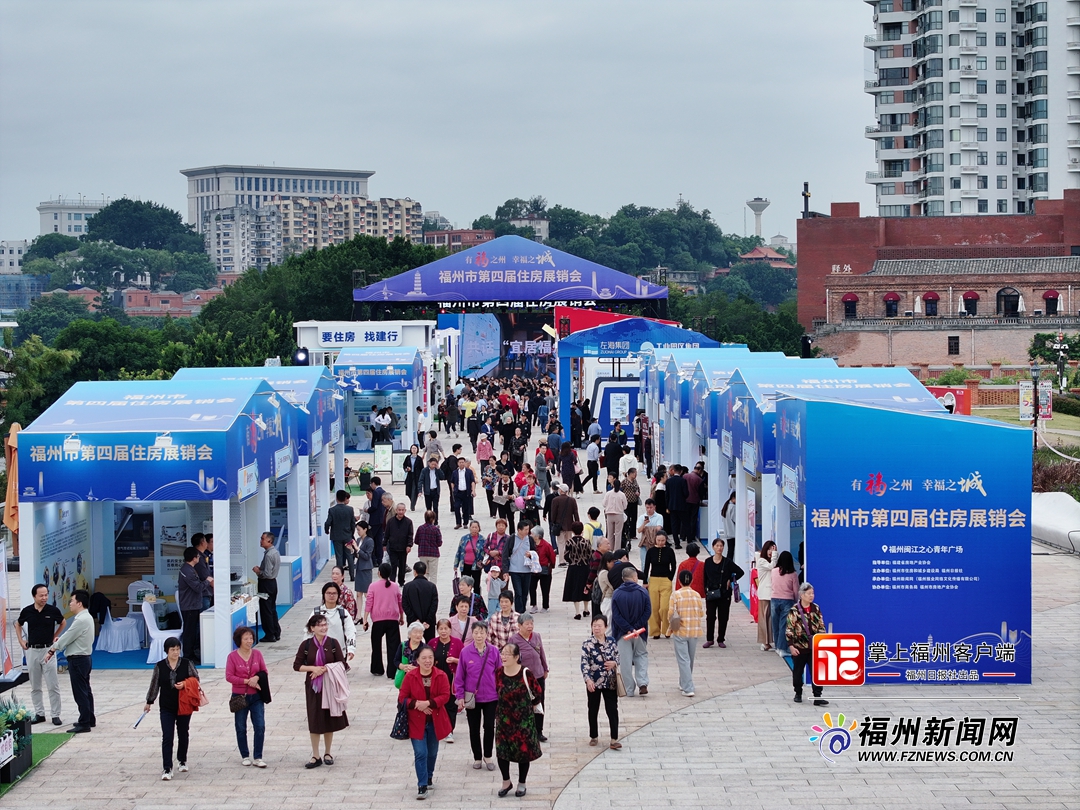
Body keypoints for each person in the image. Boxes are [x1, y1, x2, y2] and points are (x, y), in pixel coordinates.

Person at [294, 613, 349, 769]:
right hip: (313, 688)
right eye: (320, 625)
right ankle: (315, 754)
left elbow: (342, 664)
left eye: (325, 624)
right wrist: (313, 669)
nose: (324, 627)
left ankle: (328, 752)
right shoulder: (306, 645)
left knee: (328, 718)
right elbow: (297, 666)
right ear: (312, 628)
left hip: (329, 685)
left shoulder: (333, 643)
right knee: (314, 718)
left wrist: (324, 669)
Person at [399, 645, 451, 800]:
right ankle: (422, 785)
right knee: (421, 753)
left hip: (435, 720)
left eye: (430, 658)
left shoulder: (441, 675)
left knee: (432, 753)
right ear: (417, 660)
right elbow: (402, 698)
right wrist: (417, 705)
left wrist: (429, 703)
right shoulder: (411, 676)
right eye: (424, 658)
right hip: (416, 721)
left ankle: (429, 776)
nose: (427, 661)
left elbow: (445, 696)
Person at [144, 636, 199, 780]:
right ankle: (167, 767)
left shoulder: (187, 663)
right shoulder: (160, 666)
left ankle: (182, 759)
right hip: (166, 706)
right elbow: (155, 684)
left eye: (177, 649)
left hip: (183, 704)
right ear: (166, 651)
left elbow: (196, 679)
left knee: (183, 733)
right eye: (172, 650)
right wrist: (149, 701)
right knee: (167, 736)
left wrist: (185, 684)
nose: (175, 652)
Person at [492, 642, 542, 798]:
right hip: (503, 720)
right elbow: (496, 691)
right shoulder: (499, 672)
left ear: (516, 657)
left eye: (507, 654)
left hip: (523, 721)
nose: (504, 656)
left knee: (523, 752)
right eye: (503, 653)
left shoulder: (526, 673)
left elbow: (537, 693)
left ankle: (522, 783)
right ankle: (506, 782)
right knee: (502, 752)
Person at [14, 583, 65, 726]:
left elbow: (63, 622)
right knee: (35, 685)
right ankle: (39, 713)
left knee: (52, 685)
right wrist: (20, 640)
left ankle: (55, 714)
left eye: (46, 595)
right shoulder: (27, 611)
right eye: (41, 595)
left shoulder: (52, 610)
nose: (44, 598)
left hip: (48, 650)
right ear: (34, 596)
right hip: (32, 651)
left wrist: (55, 636)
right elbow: (17, 624)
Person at [45, 590, 95, 733]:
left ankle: (85, 722)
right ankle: (89, 718)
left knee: (80, 692)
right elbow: (70, 637)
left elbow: (68, 636)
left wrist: (52, 650)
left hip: (78, 659)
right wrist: (59, 641)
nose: (70, 604)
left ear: (79, 603)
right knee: (86, 690)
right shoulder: (86, 617)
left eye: (72, 601)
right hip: (84, 658)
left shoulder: (81, 619)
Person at [454, 621, 499, 772]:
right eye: (476, 633)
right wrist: (460, 696)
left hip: (491, 697)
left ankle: (488, 755)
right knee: (474, 729)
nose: (479, 636)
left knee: (489, 727)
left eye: (482, 632)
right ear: (472, 634)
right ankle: (477, 757)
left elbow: (500, 674)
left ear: (487, 634)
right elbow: (459, 677)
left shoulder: (494, 651)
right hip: (472, 697)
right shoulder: (465, 652)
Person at [225, 626, 268, 768]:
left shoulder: (257, 654)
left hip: (256, 696)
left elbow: (264, 671)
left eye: (251, 638)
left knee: (260, 725)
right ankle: (245, 755)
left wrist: (256, 678)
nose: (249, 641)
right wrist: (246, 681)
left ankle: (258, 756)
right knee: (240, 726)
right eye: (246, 639)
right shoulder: (232, 656)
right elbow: (229, 676)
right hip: (239, 696)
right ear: (239, 640)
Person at [580, 614, 621, 748]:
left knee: (612, 709)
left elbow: (618, 656)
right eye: (594, 626)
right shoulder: (587, 644)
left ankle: (614, 738)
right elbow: (584, 663)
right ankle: (594, 736)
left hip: (610, 681)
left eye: (599, 626)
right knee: (593, 709)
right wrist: (588, 680)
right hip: (594, 681)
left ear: (606, 627)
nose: (596, 628)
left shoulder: (612, 641)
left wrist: (614, 663)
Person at [610, 567, 651, 697]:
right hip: (640, 632)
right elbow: (647, 612)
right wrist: (636, 627)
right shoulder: (643, 592)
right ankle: (642, 682)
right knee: (641, 655)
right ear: (635, 578)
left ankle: (629, 689)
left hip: (623, 633)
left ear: (623, 579)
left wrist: (628, 628)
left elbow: (616, 616)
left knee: (625, 660)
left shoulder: (617, 593)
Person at [787, 582, 829, 706]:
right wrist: (791, 646)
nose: (812, 596)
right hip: (799, 647)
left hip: (814, 647)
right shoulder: (794, 610)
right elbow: (790, 628)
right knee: (798, 671)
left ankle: (817, 696)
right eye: (809, 593)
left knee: (816, 672)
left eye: (813, 593)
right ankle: (798, 693)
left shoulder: (815, 608)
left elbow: (821, 625)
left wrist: (822, 641)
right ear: (801, 594)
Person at [509, 613, 549, 742]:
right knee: (523, 704)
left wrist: (545, 668)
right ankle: (525, 730)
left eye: (531, 623)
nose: (530, 626)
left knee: (539, 703)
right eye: (527, 624)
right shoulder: (514, 640)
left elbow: (541, 652)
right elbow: (511, 658)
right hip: (523, 677)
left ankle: (539, 731)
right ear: (519, 626)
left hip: (538, 674)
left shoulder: (536, 636)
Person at [668, 570, 706, 696]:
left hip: (680, 630)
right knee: (690, 659)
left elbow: (670, 613)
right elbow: (701, 613)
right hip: (694, 630)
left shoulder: (675, 595)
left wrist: (670, 628)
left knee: (683, 659)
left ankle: (688, 687)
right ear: (691, 580)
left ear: (679, 581)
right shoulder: (696, 594)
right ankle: (683, 682)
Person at [702, 538, 745, 649]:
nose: (719, 548)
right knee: (710, 617)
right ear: (713, 547)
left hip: (724, 594)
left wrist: (731, 579)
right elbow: (704, 578)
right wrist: (705, 590)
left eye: (721, 546)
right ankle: (709, 639)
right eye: (717, 546)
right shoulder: (707, 562)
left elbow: (740, 572)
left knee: (723, 617)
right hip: (711, 593)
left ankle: (721, 639)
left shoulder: (727, 562)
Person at [365, 563, 404, 678]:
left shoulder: (373, 586)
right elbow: (400, 602)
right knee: (393, 646)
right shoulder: (395, 586)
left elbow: (369, 603)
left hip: (378, 620)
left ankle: (377, 668)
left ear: (379, 573)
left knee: (376, 645)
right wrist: (401, 616)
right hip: (392, 620)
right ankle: (392, 671)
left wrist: (365, 619)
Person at [429, 618, 463, 743]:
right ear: (437, 630)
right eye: (441, 629)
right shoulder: (432, 642)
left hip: (452, 678)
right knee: (436, 702)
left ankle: (449, 730)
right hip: (436, 678)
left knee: (450, 704)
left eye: (446, 629)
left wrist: (454, 660)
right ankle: (436, 728)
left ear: (450, 630)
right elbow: (426, 659)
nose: (443, 631)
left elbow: (464, 661)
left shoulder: (457, 643)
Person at [178, 548, 213, 664]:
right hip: (190, 606)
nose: (199, 558)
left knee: (192, 630)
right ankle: (188, 656)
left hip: (192, 604)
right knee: (189, 631)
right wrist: (207, 581)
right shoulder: (187, 571)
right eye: (198, 557)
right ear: (194, 558)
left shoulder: (189, 569)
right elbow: (197, 587)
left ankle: (191, 654)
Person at [309, 582, 357, 662]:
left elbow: (351, 631)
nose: (331, 595)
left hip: (339, 653)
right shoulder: (316, 612)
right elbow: (308, 632)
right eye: (328, 593)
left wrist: (351, 649)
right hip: (319, 653)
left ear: (338, 595)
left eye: (334, 593)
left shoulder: (343, 613)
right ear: (323, 594)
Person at [643, 530, 677, 638]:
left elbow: (674, 565)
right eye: (658, 540)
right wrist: (645, 581)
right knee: (654, 607)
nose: (661, 542)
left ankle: (666, 629)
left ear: (666, 540)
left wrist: (670, 577)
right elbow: (646, 566)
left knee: (665, 607)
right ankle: (655, 631)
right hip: (653, 579)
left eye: (663, 540)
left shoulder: (670, 551)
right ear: (655, 540)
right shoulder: (651, 551)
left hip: (665, 580)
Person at [252, 532, 281, 642]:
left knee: (266, 610)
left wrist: (258, 571)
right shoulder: (274, 552)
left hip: (266, 584)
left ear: (269, 541)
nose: (261, 541)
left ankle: (270, 634)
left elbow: (267, 574)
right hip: (272, 583)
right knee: (272, 608)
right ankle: (276, 631)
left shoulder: (269, 555)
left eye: (263, 539)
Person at [560, 522, 592, 620]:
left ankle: (577, 612)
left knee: (575, 587)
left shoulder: (569, 542)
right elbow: (590, 555)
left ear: (573, 531)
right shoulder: (587, 542)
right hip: (585, 567)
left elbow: (566, 555)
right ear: (582, 530)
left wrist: (571, 561)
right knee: (585, 587)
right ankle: (586, 609)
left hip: (574, 568)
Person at [771, 550, 800, 658]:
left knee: (775, 623)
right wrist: (797, 602)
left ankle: (777, 646)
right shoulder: (793, 574)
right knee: (784, 625)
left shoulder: (773, 571)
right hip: (787, 600)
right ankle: (782, 648)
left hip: (774, 599)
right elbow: (796, 590)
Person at [402, 561, 440, 642]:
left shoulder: (407, 587)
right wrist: (428, 621)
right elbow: (434, 605)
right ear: (426, 571)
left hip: (413, 623)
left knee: (413, 645)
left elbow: (405, 605)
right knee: (430, 645)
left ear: (414, 572)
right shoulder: (432, 586)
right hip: (429, 623)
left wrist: (414, 619)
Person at [324, 490, 358, 577]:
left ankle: (340, 576)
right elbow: (352, 523)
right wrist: (351, 533)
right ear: (345, 498)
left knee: (339, 556)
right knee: (349, 555)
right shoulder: (350, 509)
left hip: (336, 536)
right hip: (347, 536)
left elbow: (328, 522)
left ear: (336, 498)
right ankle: (352, 575)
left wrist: (327, 530)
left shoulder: (332, 510)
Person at [504, 521, 534, 613]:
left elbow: (535, 552)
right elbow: (505, 554)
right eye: (525, 529)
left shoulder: (530, 539)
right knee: (518, 592)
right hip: (515, 570)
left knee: (525, 592)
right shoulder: (512, 539)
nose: (527, 531)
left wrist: (531, 555)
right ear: (519, 530)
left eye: (528, 529)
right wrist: (505, 570)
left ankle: (523, 608)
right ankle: (519, 611)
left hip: (527, 570)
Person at [385, 502, 415, 587]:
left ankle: (401, 581)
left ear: (405, 511)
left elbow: (410, 535)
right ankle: (392, 581)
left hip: (403, 548)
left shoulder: (408, 522)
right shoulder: (391, 522)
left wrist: (409, 545)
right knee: (393, 565)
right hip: (393, 548)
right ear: (396, 510)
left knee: (402, 566)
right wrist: (384, 544)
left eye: (402, 510)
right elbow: (387, 533)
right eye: (399, 510)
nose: (401, 512)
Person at [755, 540, 777, 651]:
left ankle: (768, 641)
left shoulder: (769, 561)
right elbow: (771, 566)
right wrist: (775, 554)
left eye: (773, 549)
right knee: (764, 618)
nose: (771, 552)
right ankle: (764, 642)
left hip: (771, 593)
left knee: (769, 619)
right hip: (764, 594)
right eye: (769, 549)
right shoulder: (761, 561)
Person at [529, 528, 556, 612]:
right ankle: (534, 605)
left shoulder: (546, 545)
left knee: (545, 589)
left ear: (537, 536)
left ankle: (545, 606)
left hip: (544, 569)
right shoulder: (530, 544)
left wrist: (551, 566)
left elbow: (552, 557)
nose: (530, 535)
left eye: (532, 534)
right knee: (532, 587)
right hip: (533, 569)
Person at [394, 621, 429, 686]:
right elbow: (396, 661)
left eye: (420, 633)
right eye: (415, 632)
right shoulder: (403, 645)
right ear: (409, 634)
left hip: (419, 679)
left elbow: (428, 664)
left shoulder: (425, 648)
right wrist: (403, 666)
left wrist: (417, 669)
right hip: (404, 678)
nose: (418, 635)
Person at [454, 520, 486, 586]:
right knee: (465, 584)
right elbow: (459, 551)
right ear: (470, 528)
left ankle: (476, 596)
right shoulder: (464, 538)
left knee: (476, 585)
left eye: (476, 527)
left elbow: (485, 552)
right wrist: (456, 564)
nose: (474, 529)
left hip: (476, 566)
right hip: (465, 565)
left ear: (479, 528)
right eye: (472, 527)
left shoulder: (482, 539)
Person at [636, 497, 664, 570]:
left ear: (654, 507)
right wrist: (644, 524)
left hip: (655, 543)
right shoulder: (641, 517)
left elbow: (659, 528)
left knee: (656, 563)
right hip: (644, 543)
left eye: (651, 507)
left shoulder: (659, 516)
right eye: (647, 507)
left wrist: (647, 528)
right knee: (644, 563)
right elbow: (639, 530)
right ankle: (645, 579)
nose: (649, 509)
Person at [665, 465, 688, 549]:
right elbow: (686, 493)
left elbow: (666, 495)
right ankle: (689, 541)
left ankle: (677, 543)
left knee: (674, 525)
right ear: (681, 471)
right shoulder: (683, 481)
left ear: (673, 471)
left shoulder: (668, 481)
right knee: (685, 523)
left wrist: (667, 506)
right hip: (682, 506)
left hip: (671, 506)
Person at [353, 520, 375, 601]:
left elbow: (367, 556)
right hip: (359, 567)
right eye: (357, 530)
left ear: (365, 529)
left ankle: (370, 611)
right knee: (359, 593)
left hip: (366, 568)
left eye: (359, 530)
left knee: (367, 593)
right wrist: (352, 550)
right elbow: (357, 555)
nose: (358, 532)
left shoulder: (369, 541)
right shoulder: (358, 540)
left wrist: (357, 549)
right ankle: (358, 613)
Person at [602, 478, 627, 544]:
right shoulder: (622, 494)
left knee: (610, 533)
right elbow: (625, 506)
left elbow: (604, 504)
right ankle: (617, 549)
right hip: (619, 515)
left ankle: (610, 548)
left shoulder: (608, 494)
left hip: (609, 515)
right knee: (618, 534)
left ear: (613, 485)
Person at [403, 445, 424, 511]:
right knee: (409, 491)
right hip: (410, 476)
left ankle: (412, 505)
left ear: (417, 449)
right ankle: (413, 501)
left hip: (416, 476)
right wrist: (406, 469)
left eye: (415, 448)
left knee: (414, 491)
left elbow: (422, 468)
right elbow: (404, 465)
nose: (414, 450)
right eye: (412, 448)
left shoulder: (419, 459)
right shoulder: (408, 457)